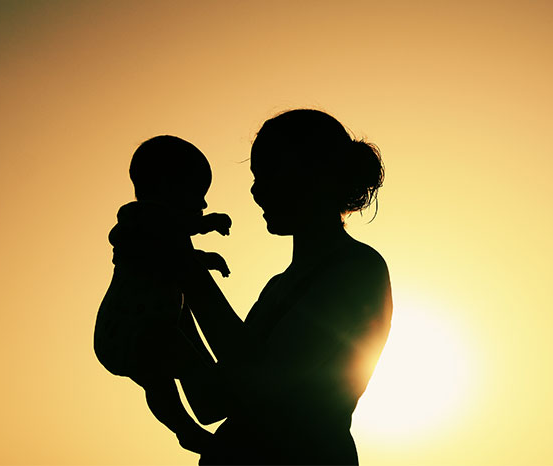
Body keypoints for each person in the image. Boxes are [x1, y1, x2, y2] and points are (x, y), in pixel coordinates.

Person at [178, 109, 393, 465]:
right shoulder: (277, 287)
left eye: (269, 172)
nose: (256, 190)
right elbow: (210, 403)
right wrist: (177, 304)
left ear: (313, 173)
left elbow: (263, 382)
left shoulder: (358, 269)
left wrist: (190, 273)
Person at [93, 135, 232, 454]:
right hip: (133, 328)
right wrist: (205, 224)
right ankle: (194, 419)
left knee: (158, 381)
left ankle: (188, 429)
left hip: (146, 328)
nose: (203, 205)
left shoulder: (157, 231)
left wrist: (205, 259)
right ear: (167, 185)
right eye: (197, 194)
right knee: (175, 370)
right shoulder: (139, 218)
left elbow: (167, 252)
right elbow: (164, 231)